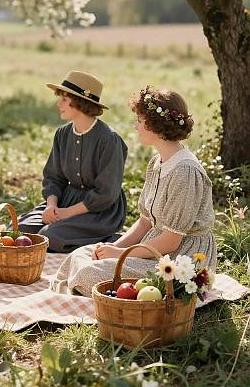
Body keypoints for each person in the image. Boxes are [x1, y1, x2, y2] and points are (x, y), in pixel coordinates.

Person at [51, 85, 217, 296]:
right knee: (81, 255)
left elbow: (171, 240)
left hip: (181, 258)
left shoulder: (185, 172)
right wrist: (111, 251)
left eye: (139, 121)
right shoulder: (157, 162)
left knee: (89, 272)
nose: (135, 127)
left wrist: (120, 255)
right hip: (154, 247)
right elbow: (145, 222)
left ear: (155, 125)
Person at [17, 70, 128, 253]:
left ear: (80, 102)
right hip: (65, 201)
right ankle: (76, 234)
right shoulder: (63, 133)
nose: (58, 104)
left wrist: (66, 213)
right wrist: (52, 206)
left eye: (64, 100)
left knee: (50, 236)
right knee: (21, 227)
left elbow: (106, 193)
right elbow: (53, 177)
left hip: (100, 210)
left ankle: (107, 239)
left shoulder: (109, 140)